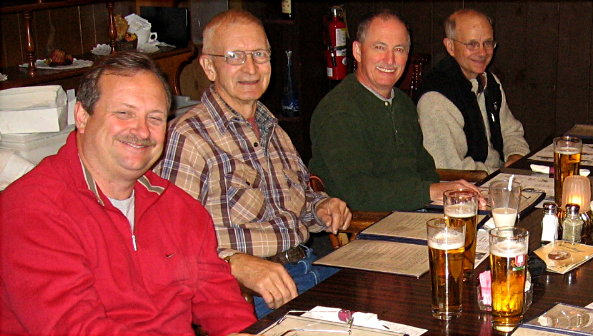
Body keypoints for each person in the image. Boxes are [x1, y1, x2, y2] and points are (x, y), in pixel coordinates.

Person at [0, 52, 255, 334]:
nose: (142, 131)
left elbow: (223, 306)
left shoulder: (180, 208)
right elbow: (75, 329)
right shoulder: (31, 209)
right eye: (124, 113)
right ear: (82, 116)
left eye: (155, 118)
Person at [156, 10, 352, 318]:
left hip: (311, 269)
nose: (251, 67)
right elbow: (166, 244)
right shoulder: (189, 138)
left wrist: (322, 208)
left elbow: (299, 203)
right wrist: (233, 263)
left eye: (260, 54)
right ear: (209, 66)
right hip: (250, 295)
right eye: (235, 56)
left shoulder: (273, 128)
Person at [310, 10, 478, 212]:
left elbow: (425, 170)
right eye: (379, 47)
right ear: (357, 51)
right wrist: (430, 192)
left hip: (415, 214)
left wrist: (447, 197)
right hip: (369, 228)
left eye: (399, 49)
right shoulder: (338, 111)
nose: (390, 59)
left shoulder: (403, 103)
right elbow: (356, 193)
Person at [416, 9, 530, 173]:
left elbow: (511, 132)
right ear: (450, 46)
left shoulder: (489, 81)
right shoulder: (436, 98)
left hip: (495, 178)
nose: (482, 52)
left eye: (488, 43)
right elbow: (450, 169)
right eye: (472, 44)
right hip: (464, 189)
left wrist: (516, 156)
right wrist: (499, 174)